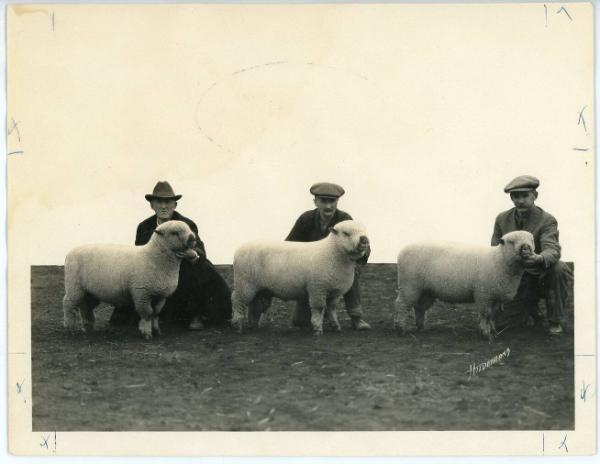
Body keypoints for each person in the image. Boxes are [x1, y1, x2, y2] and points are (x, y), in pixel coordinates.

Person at [109, 181, 232, 330]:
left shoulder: (186, 224)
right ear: (152, 205)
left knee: (203, 270)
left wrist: (192, 255)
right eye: (159, 202)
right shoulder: (144, 227)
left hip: (183, 273)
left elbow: (200, 250)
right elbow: (139, 258)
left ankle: (196, 314)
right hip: (155, 276)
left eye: (167, 202)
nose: (163, 206)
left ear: (175, 205)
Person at [491, 175, 573, 335]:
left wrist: (539, 258)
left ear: (535, 196)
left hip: (540, 275)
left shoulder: (547, 220)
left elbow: (552, 249)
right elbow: (495, 248)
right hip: (515, 279)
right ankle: (531, 310)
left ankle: (555, 321)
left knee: (559, 268)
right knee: (501, 326)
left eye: (525, 196)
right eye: (515, 196)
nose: (520, 201)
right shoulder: (502, 219)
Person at [285, 182, 371, 330]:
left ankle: (356, 317)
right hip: (312, 273)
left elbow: (363, 248)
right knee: (300, 322)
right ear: (315, 201)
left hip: (340, 269)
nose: (328, 206)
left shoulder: (346, 221)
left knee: (351, 272)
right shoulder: (306, 219)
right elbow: (290, 245)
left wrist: (362, 250)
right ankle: (320, 312)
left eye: (332, 201)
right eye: (323, 201)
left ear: (337, 202)